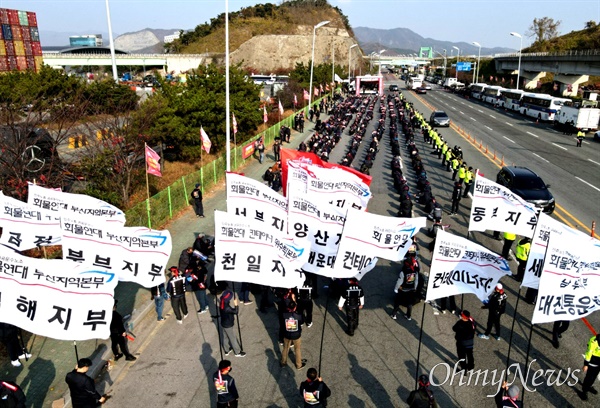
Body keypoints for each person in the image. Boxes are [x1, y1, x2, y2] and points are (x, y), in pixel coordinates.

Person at [391, 250, 420, 321]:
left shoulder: (403, 272)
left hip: (403, 289)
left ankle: (394, 314)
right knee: (409, 303)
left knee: (397, 302)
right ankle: (408, 315)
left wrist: (396, 288)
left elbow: (399, 281)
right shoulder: (414, 271)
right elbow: (416, 281)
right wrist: (415, 288)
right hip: (411, 289)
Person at [219, 288, 246, 357]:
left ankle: (226, 350)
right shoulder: (227, 307)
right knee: (233, 338)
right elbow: (235, 312)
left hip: (223, 323)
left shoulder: (222, 301)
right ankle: (237, 352)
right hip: (228, 324)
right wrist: (236, 305)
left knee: (225, 336)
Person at [280, 301, 307, 370]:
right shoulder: (298, 316)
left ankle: (283, 362)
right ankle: (298, 364)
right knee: (297, 349)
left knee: (285, 348)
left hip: (287, 334)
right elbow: (302, 321)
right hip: (296, 335)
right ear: (295, 307)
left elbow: (282, 324)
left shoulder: (284, 315)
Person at [580, 333, 600, 401]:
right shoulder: (594, 341)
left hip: (598, 364)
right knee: (589, 377)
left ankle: (589, 386)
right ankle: (584, 391)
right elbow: (588, 354)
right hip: (592, 363)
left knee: (594, 377)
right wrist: (586, 364)